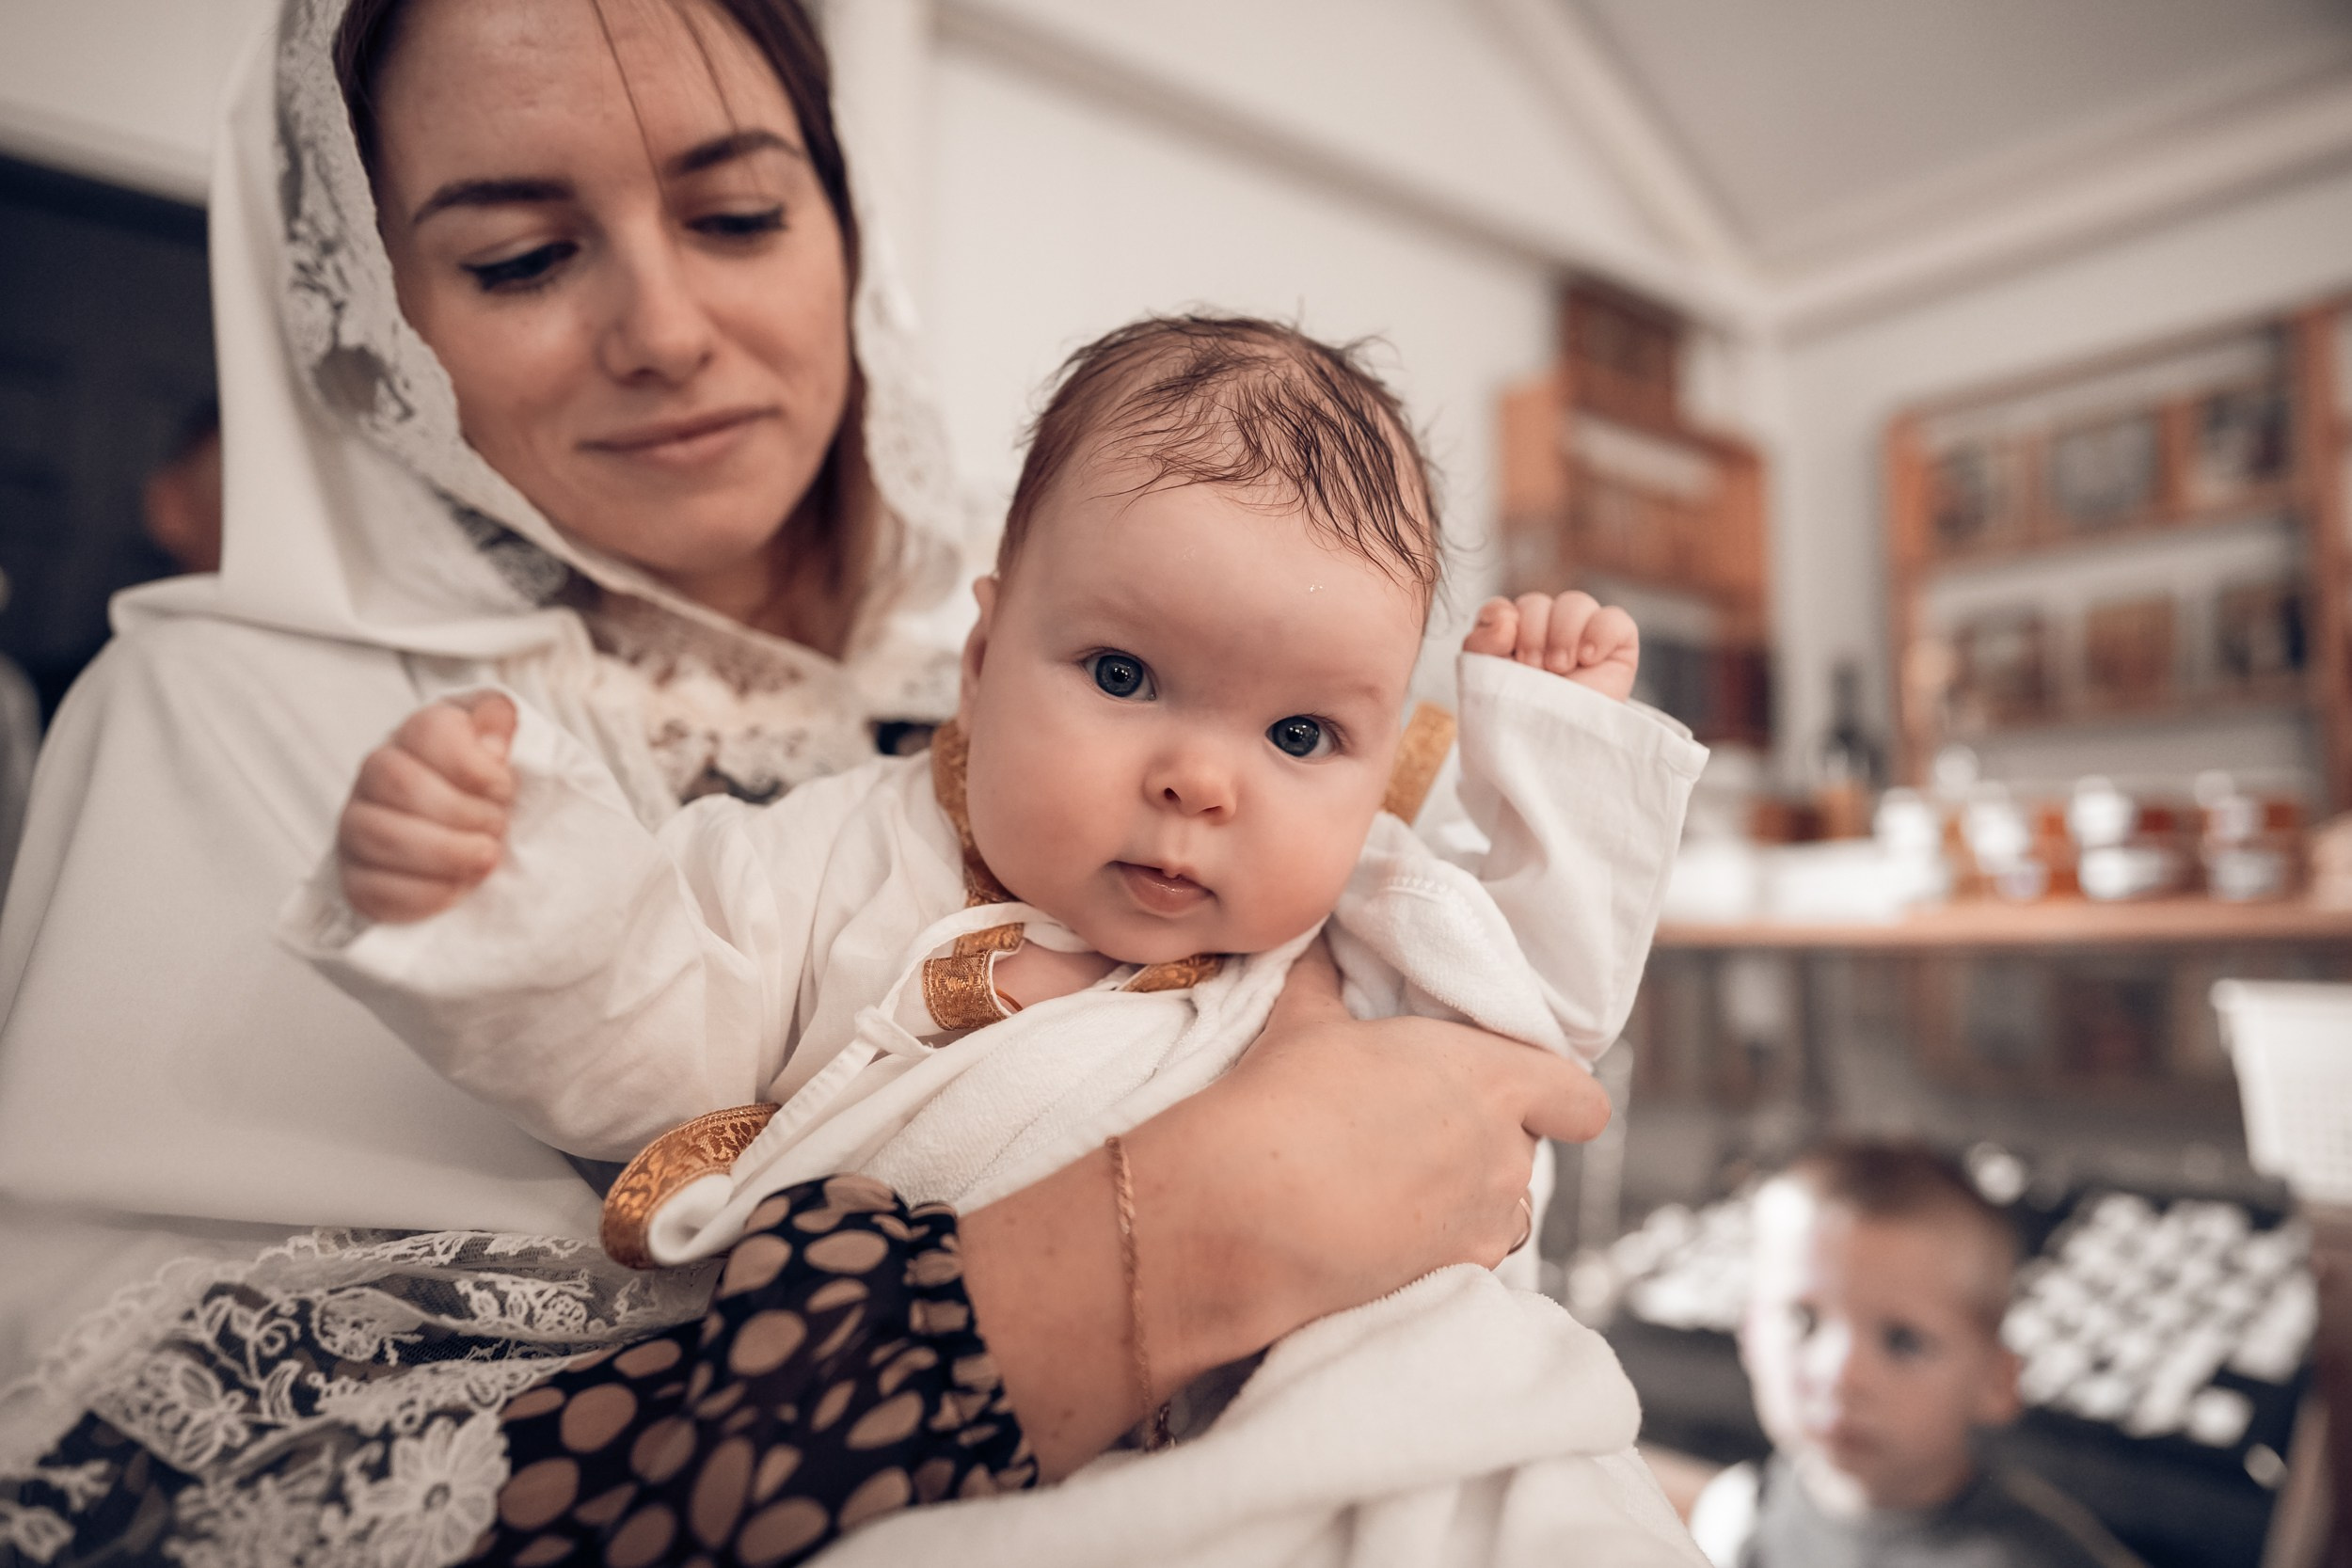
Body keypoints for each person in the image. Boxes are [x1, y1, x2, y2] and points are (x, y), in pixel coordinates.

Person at [0, 1, 1623, 1562]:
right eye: (521, 256)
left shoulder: (1005, 669)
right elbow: (180, 1496)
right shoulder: (248, 718)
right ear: (369, 301)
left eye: (738, 217)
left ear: (846, 227)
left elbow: (1515, 998)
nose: (663, 331)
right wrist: (1192, 1231)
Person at [1689, 1143, 2146, 1568]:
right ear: (1748, 1333)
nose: (1839, 1374)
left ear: (1995, 1381)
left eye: (1903, 1341)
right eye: (1802, 1321)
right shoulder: (1742, 1512)